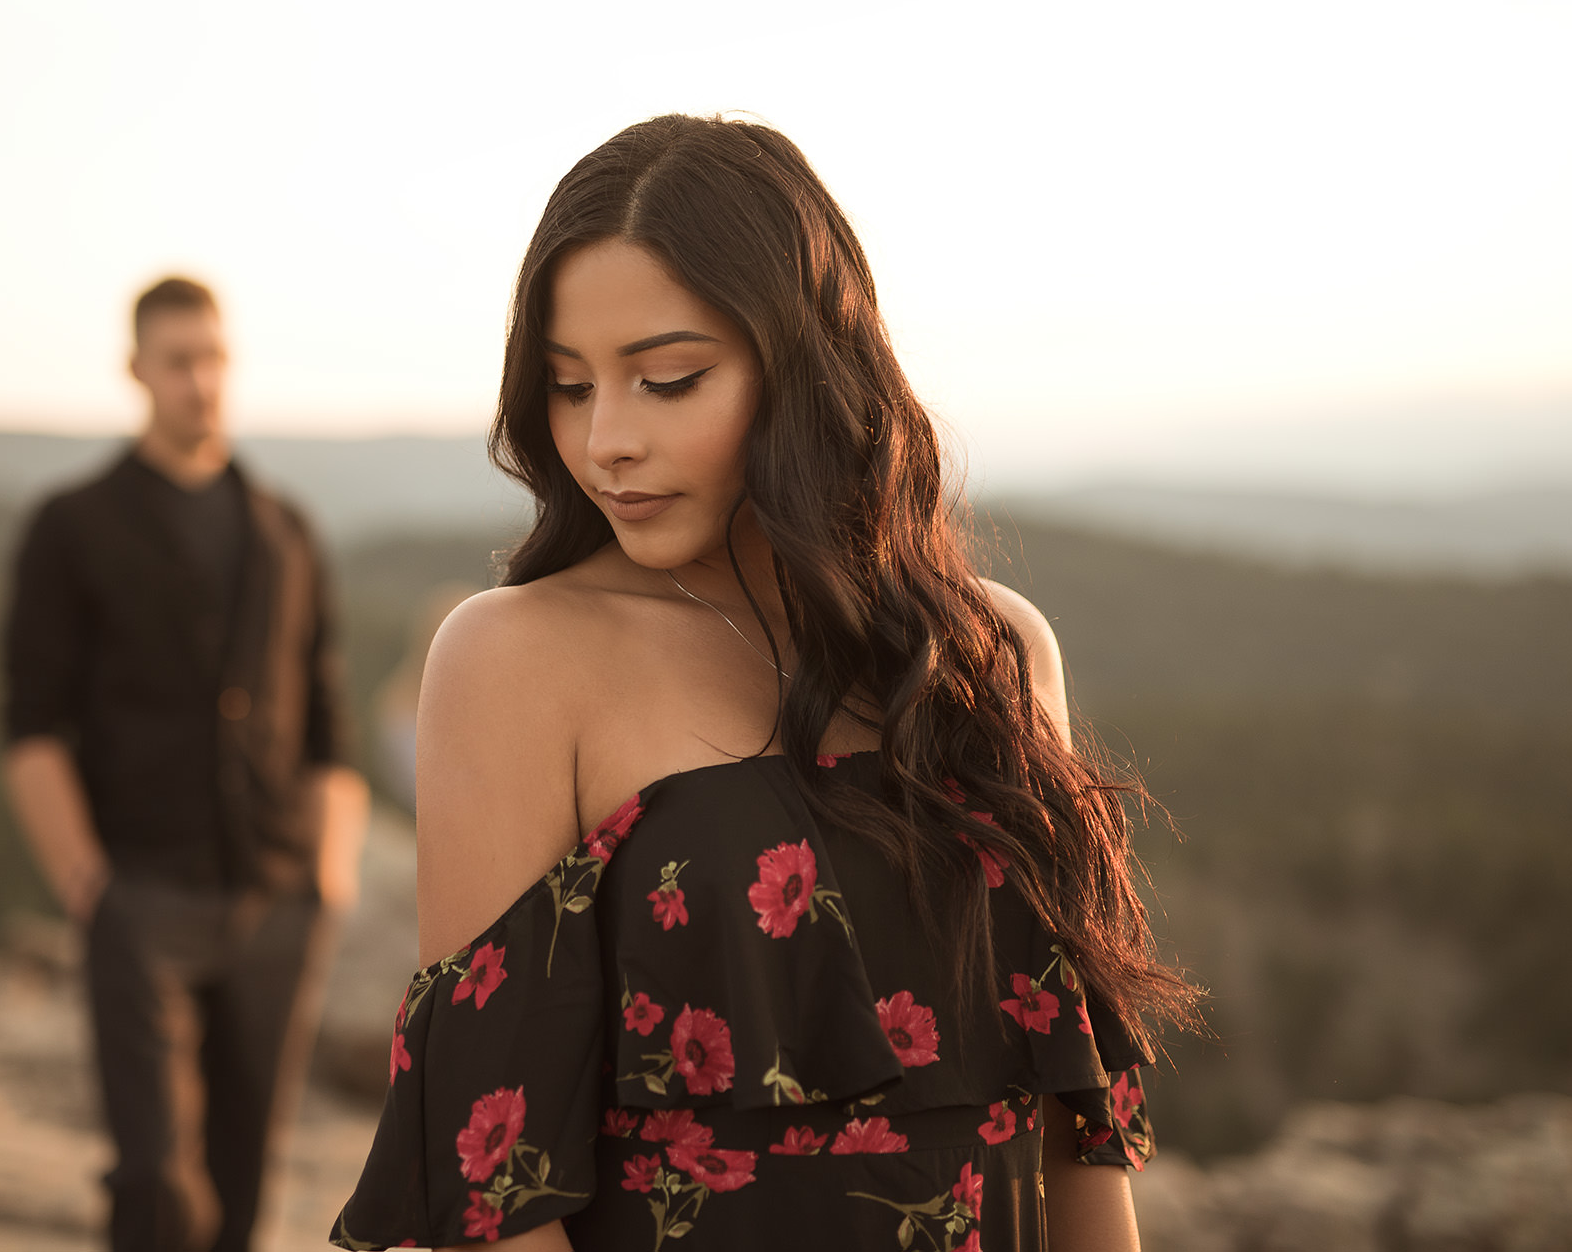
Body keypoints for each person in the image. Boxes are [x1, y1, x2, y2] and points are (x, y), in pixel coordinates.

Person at [332, 117, 1201, 1251]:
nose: (605, 441)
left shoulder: (994, 653)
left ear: (802, 363)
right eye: (566, 384)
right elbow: (494, 1184)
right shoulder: (517, 658)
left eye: (666, 379)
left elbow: (1072, 1131)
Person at [2, 276, 370, 1252]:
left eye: (212, 357)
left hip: (276, 895)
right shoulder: (71, 524)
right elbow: (30, 721)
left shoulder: (283, 528)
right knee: (156, 1181)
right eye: (177, 360)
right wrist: (87, 880)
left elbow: (328, 717)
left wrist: (326, 874)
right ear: (136, 371)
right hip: (141, 892)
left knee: (245, 1177)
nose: (200, 381)